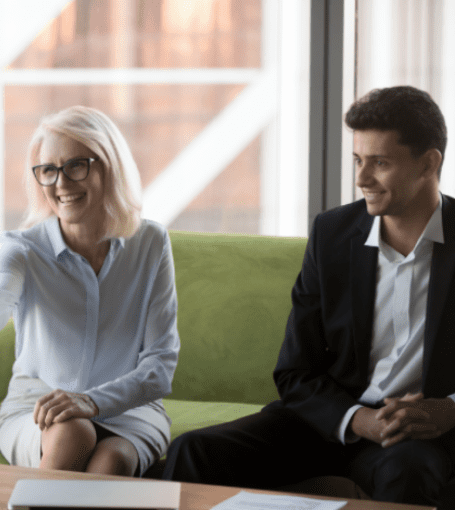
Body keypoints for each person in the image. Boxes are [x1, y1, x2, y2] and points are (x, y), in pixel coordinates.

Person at [162, 85, 455, 506]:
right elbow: (295, 371)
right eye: (358, 161)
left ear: (428, 164)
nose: (361, 179)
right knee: (194, 451)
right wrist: (358, 419)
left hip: (416, 438)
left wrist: (449, 410)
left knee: (410, 474)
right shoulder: (332, 235)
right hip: (329, 420)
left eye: (380, 163)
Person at [0, 105, 180, 477]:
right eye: (48, 170)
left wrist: (91, 400)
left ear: (109, 166)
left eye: (76, 166)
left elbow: (159, 366)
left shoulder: (150, 242)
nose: (61, 183)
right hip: (39, 408)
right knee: (73, 433)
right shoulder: (21, 247)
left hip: (130, 410)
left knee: (111, 461)